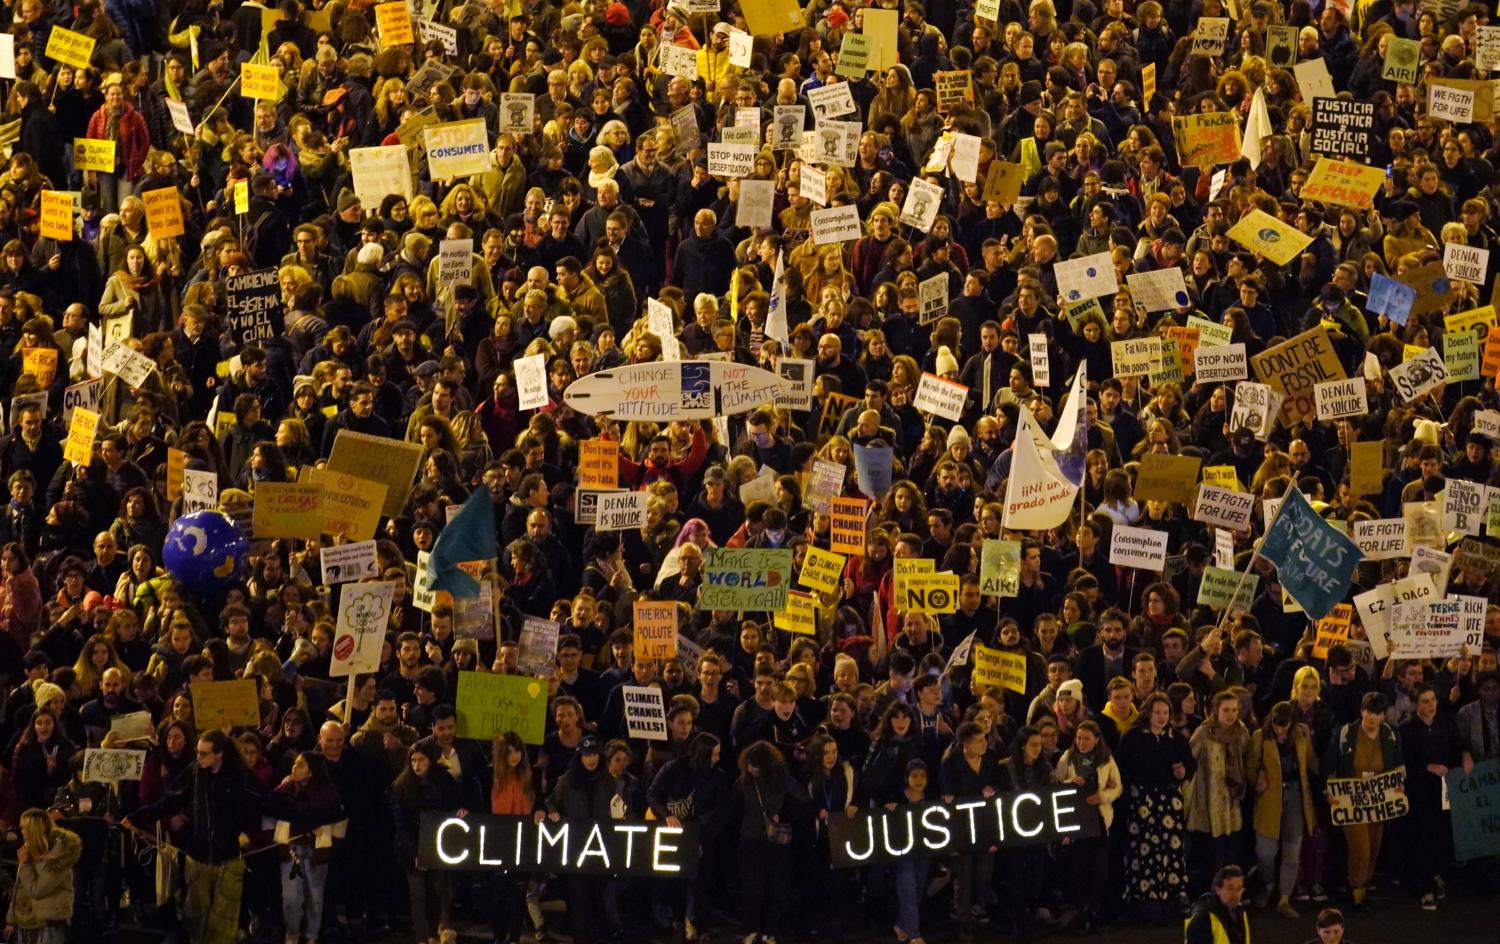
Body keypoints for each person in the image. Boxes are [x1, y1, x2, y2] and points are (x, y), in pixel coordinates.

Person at [1323, 692, 1403, 906]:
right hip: (1351, 801)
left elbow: (1398, 765)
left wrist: (1399, 783)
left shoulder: (1390, 735)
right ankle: (1355, 886)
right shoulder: (1345, 733)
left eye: (1377, 714)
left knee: (1374, 846)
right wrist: (1327, 791)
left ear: (1383, 716)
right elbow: (1329, 766)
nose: (1372, 718)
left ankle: (1364, 885)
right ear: (1362, 712)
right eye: (1369, 712)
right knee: (1361, 848)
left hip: (1378, 802)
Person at [5, 807, 82, 944]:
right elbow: (19, 887)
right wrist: (11, 920)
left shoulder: (59, 855)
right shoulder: (29, 850)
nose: (21, 831)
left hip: (49, 925)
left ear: (34, 830)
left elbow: (37, 890)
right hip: (26, 921)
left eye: (24, 827)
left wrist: (25, 864)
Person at [1184, 865, 1251, 944]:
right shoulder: (1203, 919)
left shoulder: (1240, 911)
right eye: (1230, 888)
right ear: (1217, 890)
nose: (1235, 894)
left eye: (1239, 889)